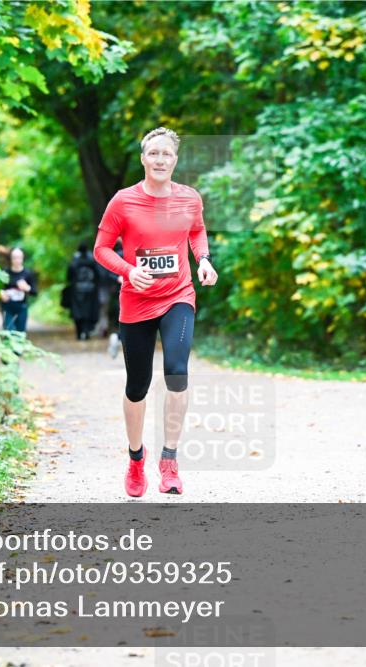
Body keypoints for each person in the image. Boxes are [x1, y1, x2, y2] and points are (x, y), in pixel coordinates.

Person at [93, 127, 218, 497]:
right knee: (137, 386)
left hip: (178, 295)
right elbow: (102, 248)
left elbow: (196, 231)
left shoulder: (189, 198)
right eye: (154, 153)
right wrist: (128, 270)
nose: (160, 160)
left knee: (177, 373)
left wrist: (204, 260)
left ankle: (169, 461)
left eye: (166, 154)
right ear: (143, 159)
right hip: (136, 301)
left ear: (175, 160)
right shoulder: (123, 201)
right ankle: (136, 459)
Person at [66, 241, 101, 341]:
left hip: (76, 292)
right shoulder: (92, 261)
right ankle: (86, 332)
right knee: (89, 312)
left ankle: (79, 333)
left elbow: (68, 277)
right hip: (91, 291)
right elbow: (98, 275)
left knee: (77, 312)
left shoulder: (74, 261)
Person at [0, 246, 37, 333]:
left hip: (22, 307)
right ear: (10, 258)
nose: (17, 260)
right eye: (14, 257)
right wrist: (1, 293)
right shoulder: (4, 272)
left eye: (19, 257)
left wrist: (26, 288)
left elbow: (34, 292)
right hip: (7, 307)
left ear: (23, 258)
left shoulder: (28, 273)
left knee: (20, 333)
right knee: (8, 331)